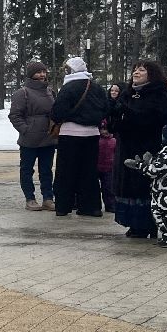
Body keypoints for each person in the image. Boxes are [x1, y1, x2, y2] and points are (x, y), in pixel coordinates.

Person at [107, 60, 167, 239]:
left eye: (141, 70)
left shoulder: (160, 92)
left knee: (144, 186)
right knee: (128, 186)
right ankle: (134, 225)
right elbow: (115, 123)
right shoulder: (127, 93)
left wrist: (129, 113)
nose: (136, 72)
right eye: (135, 69)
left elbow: (155, 118)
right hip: (126, 147)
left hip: (147, 147)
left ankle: (149, 223)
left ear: (151, 73)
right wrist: (114, 114)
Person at [50, 56, 109, 217]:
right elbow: (106, 109)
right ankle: (91, 206)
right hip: (92, 134)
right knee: (89, 171)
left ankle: (63, 206)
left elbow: (57, 112)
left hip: (70, 133)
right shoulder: (96, 87)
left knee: (66, 171)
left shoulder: (68, 88)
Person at [8, 60, 57, 211]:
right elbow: (15, 115)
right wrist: (26, 130)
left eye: (44, 71)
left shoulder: (50, 91)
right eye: (38, 72)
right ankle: (30, 198)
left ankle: (48, 198)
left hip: (48, 138)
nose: (42, 75)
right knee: (27, 169)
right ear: (31, 75)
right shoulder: (21, 93)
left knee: (46, 170)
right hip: (29, 139)